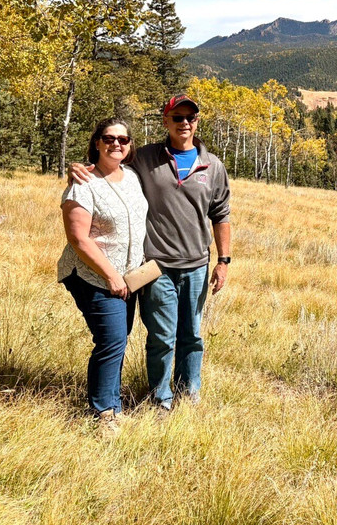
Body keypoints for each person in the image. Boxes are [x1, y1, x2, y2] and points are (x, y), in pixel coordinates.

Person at [71, 95, 231, 411]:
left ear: (197, 122)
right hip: (155, 267)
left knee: (192, 337)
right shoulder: (144, 158)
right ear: (165, 121)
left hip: (198, 265)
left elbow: (221, 214)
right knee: (160, 338)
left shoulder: (213, 166)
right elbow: (109, 163)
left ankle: (189, 394)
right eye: (177, 117)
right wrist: (79, 169)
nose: (184, 123)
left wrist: (224, 261)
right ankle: (161, 399)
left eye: (190, 117)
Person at [59, 119, 148, 430]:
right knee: (111, 340)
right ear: (96, 142)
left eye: (123, 139)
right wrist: (111, 275)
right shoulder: (82, 183)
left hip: (128, 277)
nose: (116, 144)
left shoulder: (133, 177)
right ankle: (102, 414)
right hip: (93, 275)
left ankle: (114, 404)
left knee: (119, 340)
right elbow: (78, 238)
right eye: (109, 138)